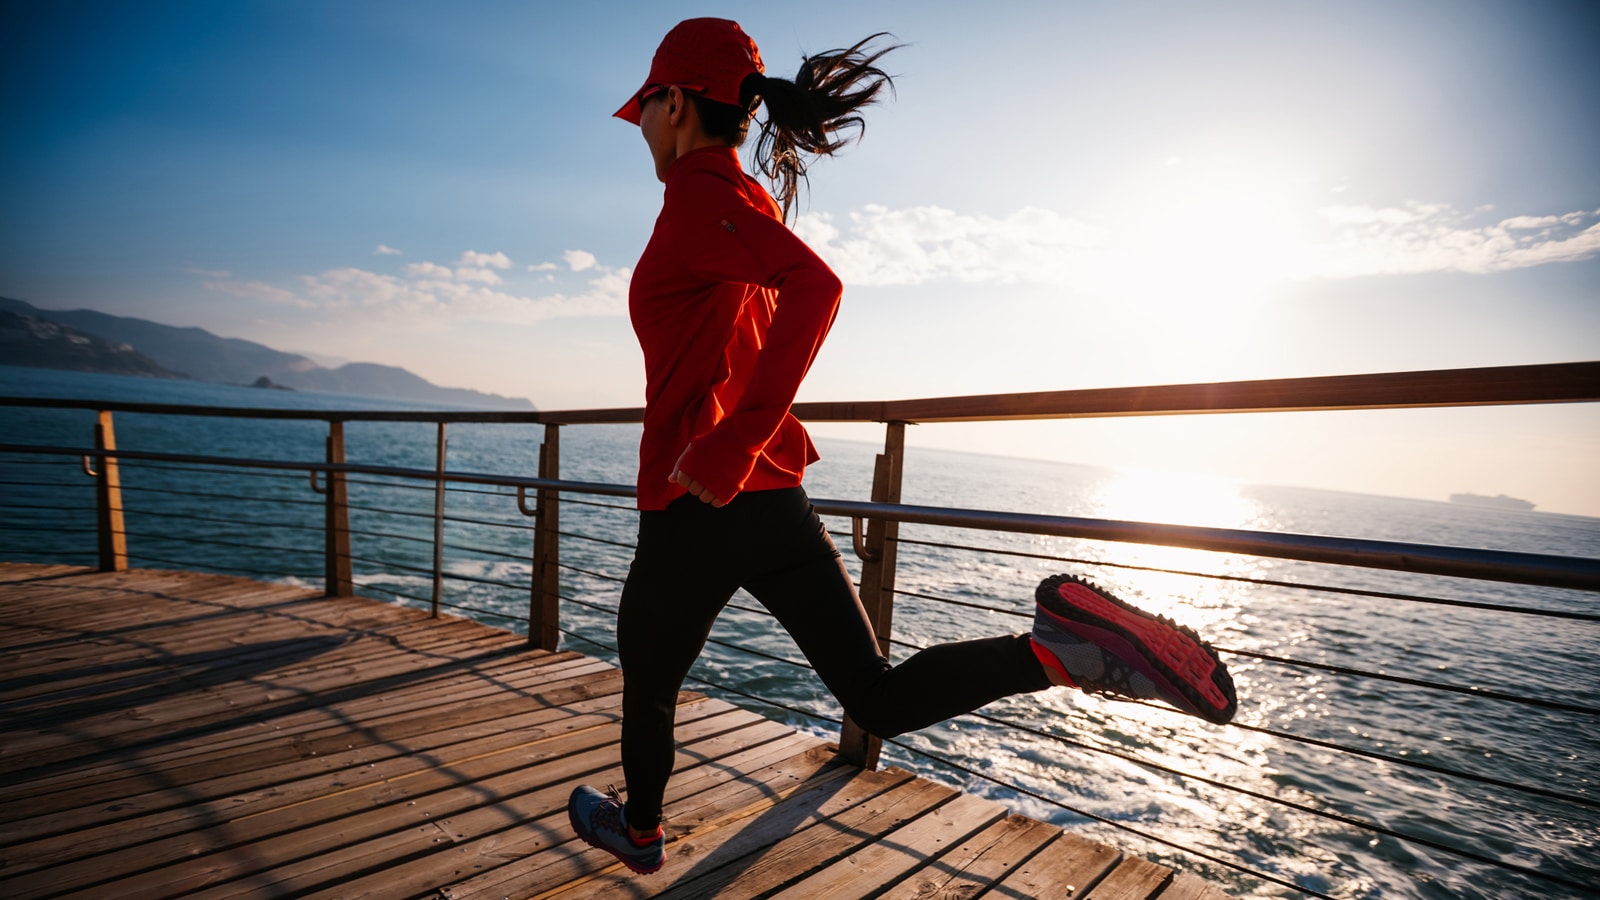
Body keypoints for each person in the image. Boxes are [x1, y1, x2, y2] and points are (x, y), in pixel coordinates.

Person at [567, 18, 1238, 876]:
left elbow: (819, 287)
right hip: (770, 500)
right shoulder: (741, 201)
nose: (643, 130)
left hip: (695, 496)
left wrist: (732, 439)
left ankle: (643, 832)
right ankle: (1058, 652)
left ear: (672, 102)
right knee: (873, 696)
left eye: (646, 109)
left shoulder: (703, 196)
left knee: (649, 680)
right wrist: (748, 444)